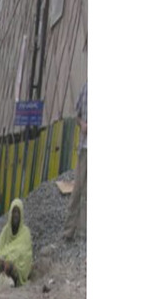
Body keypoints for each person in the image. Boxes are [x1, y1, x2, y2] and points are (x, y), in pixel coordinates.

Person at [63, 81, 87, 241]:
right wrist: (82, 124)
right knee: (78, 189)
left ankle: (83, 232)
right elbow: (77, 115)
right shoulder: (86, 88)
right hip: (84, 147)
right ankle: (69, 230)